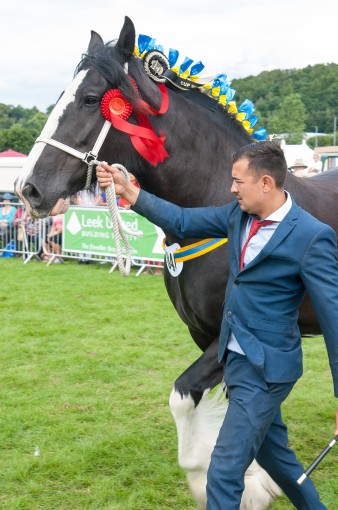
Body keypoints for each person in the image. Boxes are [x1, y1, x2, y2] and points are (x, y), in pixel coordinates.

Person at [96, 140, 338, 510]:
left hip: (268, 371)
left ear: (266, 183)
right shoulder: (236, 216)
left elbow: (334, 319)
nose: (232, 188)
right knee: (278, 460)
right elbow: (181, 220)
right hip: (233, 359)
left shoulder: (313, 237)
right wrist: (130, 191)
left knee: (224, 472)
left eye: (239, 181)